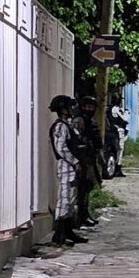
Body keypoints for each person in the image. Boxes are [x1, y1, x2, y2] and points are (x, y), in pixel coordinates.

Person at [48, 95, 88, 246]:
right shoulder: (60, 127)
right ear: (63, 110)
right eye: (69, 107)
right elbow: (61, 148)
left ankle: (67, 231)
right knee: (64, 199)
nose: (72, 110)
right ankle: (59, 234)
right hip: (66, 166)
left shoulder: (67, 126)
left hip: (71, 167)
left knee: (71, 199)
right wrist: (75, 161)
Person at [73, 96, 102, 228]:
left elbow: (97, 141)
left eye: (92, 107)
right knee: (81, 189)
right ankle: (80, 216)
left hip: (90, 158)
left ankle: (84, 215)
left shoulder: (92, 122)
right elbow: (77, 140)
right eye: (87, 107)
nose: (89, 109)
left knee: (88, 187)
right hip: (81, 159)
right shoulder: (79, 121)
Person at [107, 95, 130, 177]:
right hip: (119, 131)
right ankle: (117, 168)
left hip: (114, 131)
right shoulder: (116, 109)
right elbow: (125, 118)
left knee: (118, 150)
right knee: (120, 150)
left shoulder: (109, 109)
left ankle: (116, 168)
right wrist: (126, 113)